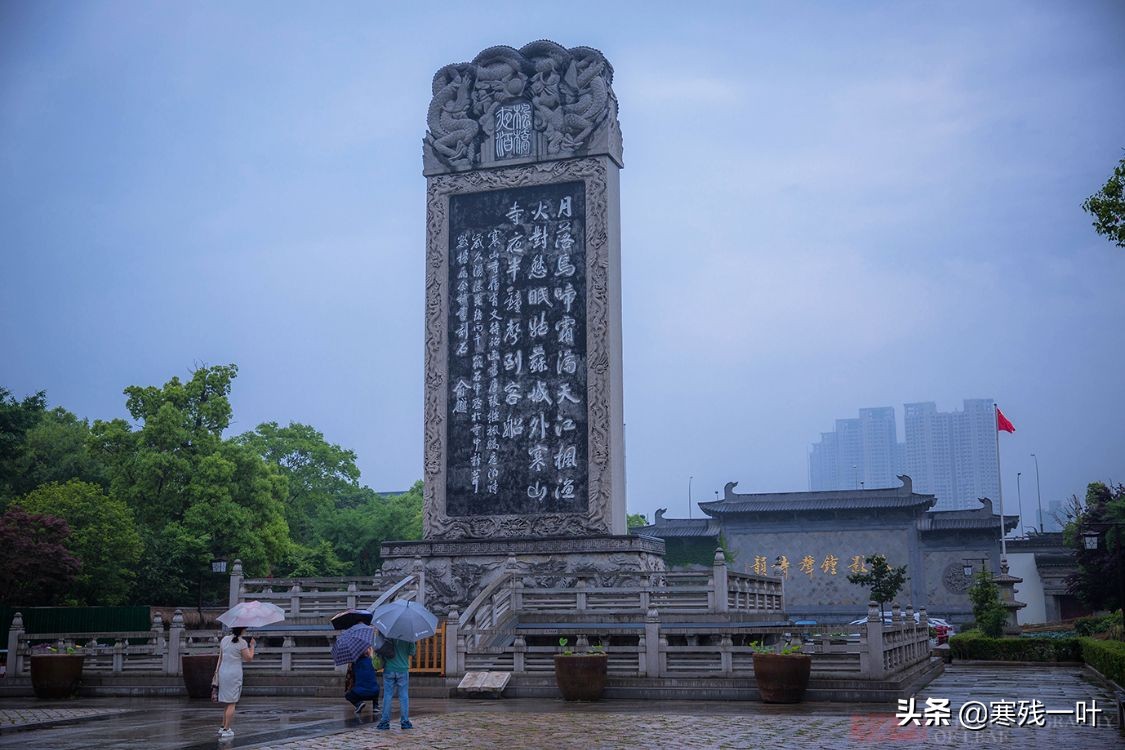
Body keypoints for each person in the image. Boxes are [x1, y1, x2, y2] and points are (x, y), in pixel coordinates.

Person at [212, 627, 255, 740]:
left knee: (227, 701)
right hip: (234, 674)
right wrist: (252, 646)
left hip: (223, 672)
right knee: (232, 702)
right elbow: (249, 658)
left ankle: (223, 726)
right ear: (242, 630)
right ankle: (227, 729)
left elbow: (220, 657)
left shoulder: (224, 640)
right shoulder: (242, 643)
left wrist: (216, 672)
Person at [376, 634, 415, 730]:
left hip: (389, 668)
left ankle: (384, 722)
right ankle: (405, 721)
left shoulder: (387, 634)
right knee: (403, 696)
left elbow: (380, 648)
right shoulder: (409, 635)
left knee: (387, 695)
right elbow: (412, 652)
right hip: (403, 668)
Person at [345, 646, 380, 716]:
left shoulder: (354, 663)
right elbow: (375, 670)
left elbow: (349, 678)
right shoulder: (371, 661)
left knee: (348, 695)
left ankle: (358, 703)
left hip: (360, 694)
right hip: (374, 693)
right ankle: (375, 706)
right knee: (375, 685)